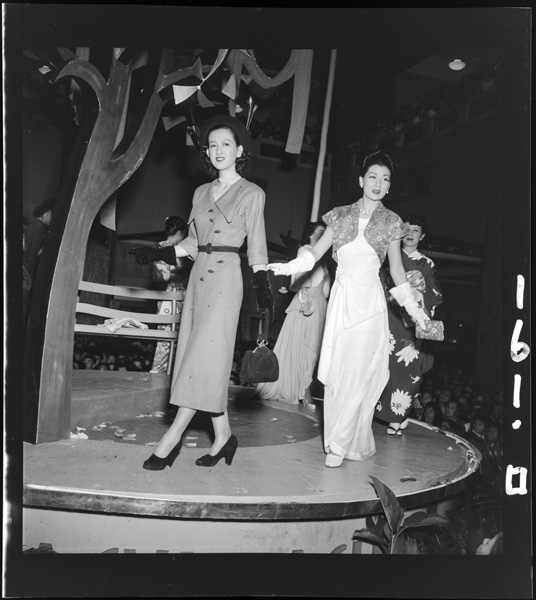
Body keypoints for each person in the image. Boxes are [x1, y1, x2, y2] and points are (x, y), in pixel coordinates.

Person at [129, 115, 273, 470]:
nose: (219, 150)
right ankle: (223, 436)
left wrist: (262, 286)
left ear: (239, 150)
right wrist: (161, 252)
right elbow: (192, 244)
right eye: (212, 145)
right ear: (206, 152)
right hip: (198, 279)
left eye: (226, 144)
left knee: (203, 359)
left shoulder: (252, 194)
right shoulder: (200, 193)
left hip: (226, 280)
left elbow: (257, 248)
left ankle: (170, 440)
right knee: (198, 357)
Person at [268, 150, 429, 467]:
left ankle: (340, 445)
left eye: (385, 179)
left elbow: (397, 271)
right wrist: (289, 267)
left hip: (370, 303)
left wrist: (414, 309)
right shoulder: (339, 216)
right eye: (373, 177)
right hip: (342, 302)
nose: (378, 184)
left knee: (360, 371)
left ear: (390, 186)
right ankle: (341, 439)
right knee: (339, 373)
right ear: (361, 180)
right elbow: (314, 254)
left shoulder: (392, 222)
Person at [374, 213, 443, 436]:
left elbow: (437, 294)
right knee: (384, 366)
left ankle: (398, 415)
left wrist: (419, 294)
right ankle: (384, 413)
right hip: (389, 317)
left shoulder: (426, 264)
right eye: (407, 229)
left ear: (422, 236)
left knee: (408, 370)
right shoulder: (389, 257)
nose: (410, 234)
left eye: (416, 230)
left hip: (411, 321)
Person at [256, 221, 331, 407]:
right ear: (310, 234)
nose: (323, 235)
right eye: (320, 232)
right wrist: (306, 299)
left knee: (314, 350)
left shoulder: (320, 256)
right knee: (307, 349)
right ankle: (304, 390)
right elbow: (298, 282)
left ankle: (304, 387)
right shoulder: (305, 251)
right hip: (307, 303)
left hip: (320, 305)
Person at [149, 215, 191, 374]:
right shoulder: (173, 250)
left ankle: (162, 372)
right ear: (180, 232)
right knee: (170, 341)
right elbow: (163, 277)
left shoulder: (162, 249)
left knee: (167, 342)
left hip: (170, 300)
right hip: (174, 300)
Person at [23, 199, 55, 331]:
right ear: (47, 213)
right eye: (52, 215)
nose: (52, 219)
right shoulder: (40, 227)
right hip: (28, 273)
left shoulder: (34, 225)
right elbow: (33, 254)